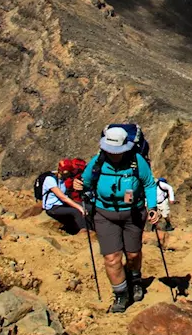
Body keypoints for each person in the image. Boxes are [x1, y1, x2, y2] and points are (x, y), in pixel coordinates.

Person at [82, 125, 158, 313]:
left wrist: (153, 207)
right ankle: (121, 294)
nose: (113, 154)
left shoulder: (136, 161)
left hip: (133, 213)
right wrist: (81, 189)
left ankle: (135, 279)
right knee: (112, 258)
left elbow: (149, 184)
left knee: (133, 254)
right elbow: (86, 181)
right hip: (104, 214)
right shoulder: (98, 161)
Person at [42, 159, 88, 234]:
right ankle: (83, 232)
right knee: (76, 211)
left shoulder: (63, 179)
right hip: (53, 207)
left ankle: (91, 227)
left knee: (87, 207)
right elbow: (63, 197)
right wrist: (79, 207)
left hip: (61, 204)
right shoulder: (50, 179)